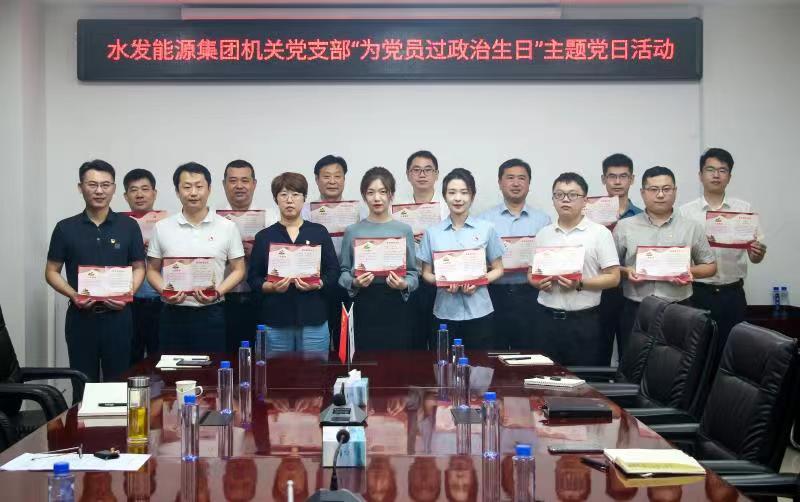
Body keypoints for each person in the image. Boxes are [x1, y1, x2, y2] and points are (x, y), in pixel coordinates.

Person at [45, 160, 145, 381]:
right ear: (80, 187)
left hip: (119, 318)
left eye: (105, 185)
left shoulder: (129, 226)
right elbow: (51, 271)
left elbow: (139, 267)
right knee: (82, 383)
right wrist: (73, 294)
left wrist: (128, 293)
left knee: (118, 384)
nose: (99, 191)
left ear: (114, 188)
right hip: (81, 319)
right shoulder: (65, 228)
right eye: (92, 184)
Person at [613, 166, 716, 360]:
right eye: (653, 189)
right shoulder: (625, 227)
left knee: (676, 366)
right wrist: (627, 271)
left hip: (679, 308)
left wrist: (690, 272)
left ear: (675, 191)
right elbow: (609, 268)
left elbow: (710, 266)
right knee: (633, 364)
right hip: (636, 309)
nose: (660, 195)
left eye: (666, 189)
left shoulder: (691, 227)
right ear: (643, 193)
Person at [146, 162, 245, 352]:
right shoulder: (162, 227)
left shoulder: (227, 227)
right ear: (177, 191)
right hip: (172, 313)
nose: (193, 193)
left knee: (211, 367)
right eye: (186, 187)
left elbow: (239, 269)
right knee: (172, 367)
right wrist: (165, 291)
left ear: (209, 189)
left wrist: (217, 292)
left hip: (212, 312)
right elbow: (151, 270)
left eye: (199, 186)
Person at [529, 173, 620, 365]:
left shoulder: (600, 234)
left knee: (583, 378)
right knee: (544, 376)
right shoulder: (543, 234)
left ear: (585, 200)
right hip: (545, 320)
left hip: (584, 321)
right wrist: (538, 283)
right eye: (559, 195)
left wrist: (580, 284)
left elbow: (614, 277)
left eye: (572, 195)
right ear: (553, 199)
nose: (565, 200)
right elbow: (531, 273)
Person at [680, 148, 766, 350]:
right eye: (710, 170)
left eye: (722, 170)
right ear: (700, 175)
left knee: (731, 352)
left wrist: (758, 253)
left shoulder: (743, 209)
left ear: (729, 176)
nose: (716, 175)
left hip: (732, 294)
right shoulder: (685, 212)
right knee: (696, 353)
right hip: (697, 293)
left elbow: (755, 256)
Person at [248, 172, 338, 354]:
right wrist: (270, 287)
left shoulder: (319, 232)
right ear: (276, 199)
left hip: (314, 317)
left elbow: (333, 271)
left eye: (295, 194)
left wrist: (319, 283)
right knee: (278, 371)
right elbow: (253, 278)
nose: (289, 200)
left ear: (304, 198)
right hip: (276, 319)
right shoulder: (264, 236)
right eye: (283, 195)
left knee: (315, 370)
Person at [418, 168, 505, 349]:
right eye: (452, 192)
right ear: (444, 196)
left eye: (464, 192)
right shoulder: (432, 233)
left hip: (480, 312)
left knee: (480, 364)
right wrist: (442, 281)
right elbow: (425, 273)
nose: (458, 198)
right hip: (445, 312)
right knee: (445, 362)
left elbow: (498, 269)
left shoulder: (486, 229)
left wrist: (479, 281)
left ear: (472, 196)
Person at [339, 167, 419, 350]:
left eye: (383, 192)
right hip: (363, 302)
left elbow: (413, 274)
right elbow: (343, 272)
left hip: (396, 303)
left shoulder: (404, 230)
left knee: (397, 359)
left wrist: (404, 284)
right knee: (364, 359)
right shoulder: (352, 231)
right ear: (364, 196)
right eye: (371, 192)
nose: (377, 198)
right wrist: (354, 282)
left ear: (391, 195)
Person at [479, 158, 551, 351]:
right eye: (510, 178)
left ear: (529, 183)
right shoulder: (483, 220)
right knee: (494, 352)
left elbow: (549, 258)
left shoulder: (543, 220)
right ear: (500, 182)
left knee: (529, 352)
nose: (516, 183)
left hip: (530, 294)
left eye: (521, 178)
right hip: (494, 294)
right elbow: (476, 258)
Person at [302, 155, 362, 352]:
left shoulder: (358, 210)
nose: (332, 181)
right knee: (318, 337)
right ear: (317, 179)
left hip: (350, 281)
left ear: (344, 179)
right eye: (326, 176)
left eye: (337, 176)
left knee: (347, 338)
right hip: (318, 283)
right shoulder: (305, 211)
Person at [598, 153, 644, 365]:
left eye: (623, 176)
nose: (617, 182)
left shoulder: (643, 216)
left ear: (632, 179)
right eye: (612, 176)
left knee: (631, 352)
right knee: (599, 350)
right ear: (603, 179)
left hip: (633, 293)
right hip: (599, 292)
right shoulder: (588, 216)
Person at [220, 159, 266, 352]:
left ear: (254, 184)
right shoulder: (213, 220)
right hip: (223, 300)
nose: (239, 186)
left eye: (245, 180)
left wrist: (257, 254)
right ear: (224, 184)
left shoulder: (271, 218)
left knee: (260, 355)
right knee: (225, 354)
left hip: (260, 298)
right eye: (233, 181)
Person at [404, 150, 448, 349]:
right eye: (416, 170)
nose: (422, 175)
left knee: (440, 340)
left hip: (441, 282)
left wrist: (432, 240)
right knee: (414, 340)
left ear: (436, 174)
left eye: (428, 170)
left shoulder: (448, 205)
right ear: (408, 174)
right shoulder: (397, 208)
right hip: (410, 281)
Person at [122, 168, 162, 364]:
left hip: (161, 302)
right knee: (129, 359)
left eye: (145, 189)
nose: (139, 195)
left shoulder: (168, 225)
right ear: (125, 196)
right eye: (133, 190)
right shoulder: (118, 225)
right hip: (129, 304)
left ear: (154, 193)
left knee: (161, 360)